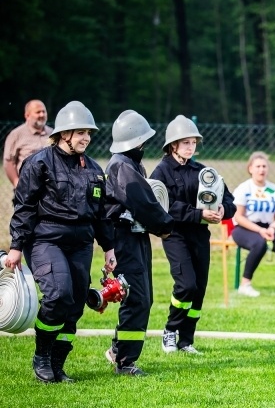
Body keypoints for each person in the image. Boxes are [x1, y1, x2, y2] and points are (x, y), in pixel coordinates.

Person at [5, 100, 115, 383]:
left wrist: (109, 248)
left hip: (81, 243)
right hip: (46, 240)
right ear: (64, 134)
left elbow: (101, 214)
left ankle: (57, 364)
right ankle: (42, 356)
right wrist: (16, 246)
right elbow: (25, 207)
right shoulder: (39, 163)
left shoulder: (94, 169)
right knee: (58, 295)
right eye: (81, 133)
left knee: (75, 304)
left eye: (88, 133)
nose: (86, 138)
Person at [150, 115, 235, 355]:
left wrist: (223, 209)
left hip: (200, 236)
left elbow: (230, 202)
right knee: (186, 285)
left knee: (199, 289)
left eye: (194, 142)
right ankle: (170, 330)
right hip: (175, 235)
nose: (191, 146)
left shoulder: (203, 171)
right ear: (172, 145)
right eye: (185, 142)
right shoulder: (161, 172)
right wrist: (199, 214)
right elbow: (164, 206)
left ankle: (186, 340)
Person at [104, 110, 174, 376]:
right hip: (125, 238)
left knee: (142, 297)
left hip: (135, 237)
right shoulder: (122, 166)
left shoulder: (128, 164)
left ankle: (118, 351)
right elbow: (144, 203)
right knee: (137, 298)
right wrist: (165, 226)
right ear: (136, 140)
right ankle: (124, 361)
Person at [232, 152, 275, 297]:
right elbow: (238, 217)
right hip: (244, 227)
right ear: (250, 169)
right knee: (259, 244)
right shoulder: (244, 188)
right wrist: (260, 230)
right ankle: (245, 284)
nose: (261, 170)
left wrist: (272, 228)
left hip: (268, 227)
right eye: (258, 166)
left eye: (264, 166)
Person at [4, 100, 53, 187]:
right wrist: (16, 183)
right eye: (38, 112)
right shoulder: (16, 135)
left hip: (51, 187)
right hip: (27, 186)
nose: (42, 115)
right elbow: (9, 161)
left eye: (44, 111)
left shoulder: (53, 133)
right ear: (27, 115)